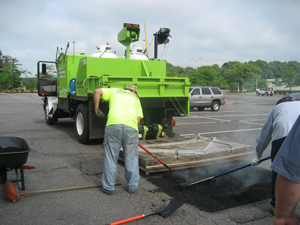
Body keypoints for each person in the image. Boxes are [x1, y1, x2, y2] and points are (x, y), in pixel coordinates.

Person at [94, 84, 143, 195]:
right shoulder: (135, 98)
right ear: (134, 92)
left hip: (113, 125)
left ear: (126, 89)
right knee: (131, 157)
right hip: (130, 127)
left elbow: (97, 91)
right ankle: (132, 187)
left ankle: (108, 188)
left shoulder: (115, 91)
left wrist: (96, 108)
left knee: (111, 156)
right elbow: (138, 120)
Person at [252, 98, 300, 213]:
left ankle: (276, 206)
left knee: (280, 172)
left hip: (282, 138)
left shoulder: (277, 108)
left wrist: (258, 155)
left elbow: (265, 133)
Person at [271, 115, 300, 225]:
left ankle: (275, 203)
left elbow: (292, 169)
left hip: (284, 138)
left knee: (279, 169)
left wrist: (284, 216)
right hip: (287, 136)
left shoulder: (278, 108)